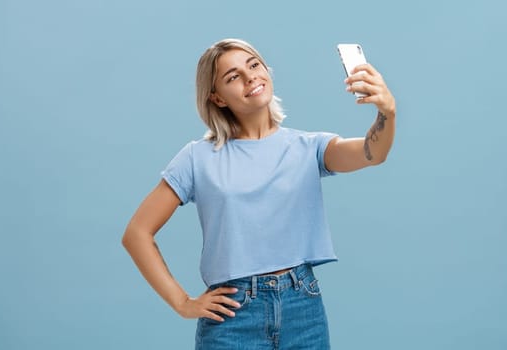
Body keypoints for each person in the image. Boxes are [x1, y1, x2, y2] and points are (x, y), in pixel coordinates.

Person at [122, 38, 396, 349]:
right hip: (233, 317)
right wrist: (182, 302)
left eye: (253, 65)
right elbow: (137, 233)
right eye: (233, 76)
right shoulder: (198, 157)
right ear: (217, 98)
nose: (250, 76)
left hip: (302, 309)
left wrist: (387, 112)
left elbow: (372, 153)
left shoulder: (308, 147)